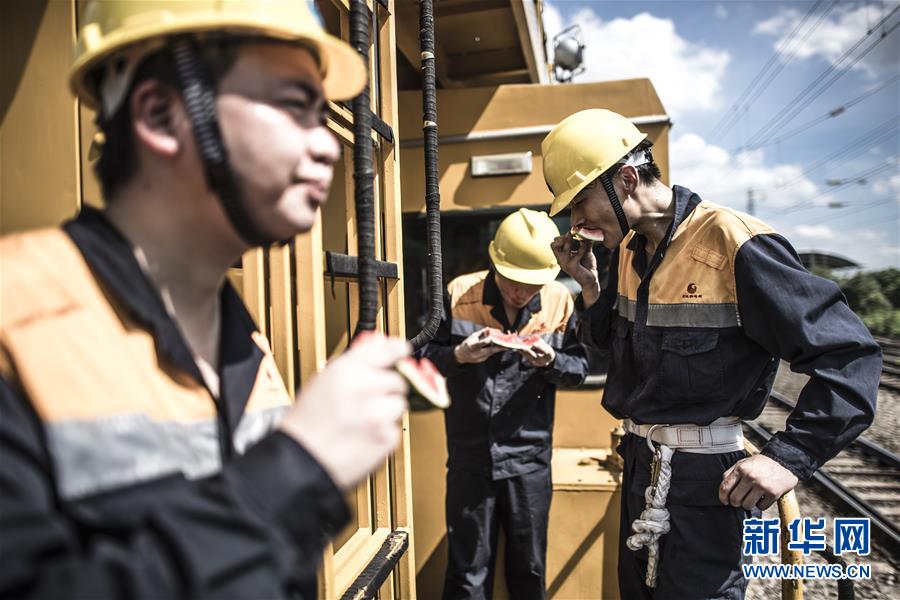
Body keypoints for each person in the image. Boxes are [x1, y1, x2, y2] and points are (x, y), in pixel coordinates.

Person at [0, 2, 411, 598]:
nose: (328, 147)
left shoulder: (246, 346)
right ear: (162, 114)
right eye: (297, 108)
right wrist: (297, 468)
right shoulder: (15, 318)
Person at [542, 109, 881, 599]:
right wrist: (591, 289)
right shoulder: (627, 256)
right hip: (641, 467)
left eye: (580, 204)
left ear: (627, 178)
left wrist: (789, 457)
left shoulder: (734, 242)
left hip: (705, 486)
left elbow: (850, 356)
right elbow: (611, 357)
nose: (576, 223)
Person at [419, 208, 589, 599]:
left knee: (529, 569)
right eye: (514, 281)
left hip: (529, 461)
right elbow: (422, 361)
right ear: (496, 262)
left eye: (532, 285)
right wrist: (459, 355)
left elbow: (580, 369)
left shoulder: (560, 300)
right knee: (466, 573)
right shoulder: (460, 293)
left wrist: (553, 363)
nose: (520, 293)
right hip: (469, 458)